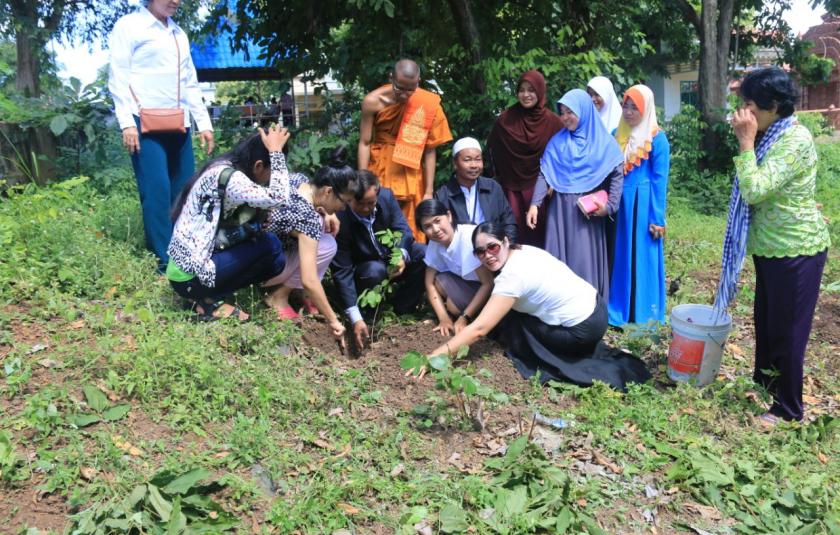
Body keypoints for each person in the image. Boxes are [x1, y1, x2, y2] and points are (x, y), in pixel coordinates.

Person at [407, 223, 650, 391]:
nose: (487, 256)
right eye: (480, 252)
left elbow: (479, 329)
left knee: (519, 324)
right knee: (514, 315)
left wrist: (433, 358)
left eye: (492, 247)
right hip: (597, 309)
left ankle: (563, 358)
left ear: (505, 241)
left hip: (582, 331)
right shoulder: (525, 251)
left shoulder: (511, 278)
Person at [716, 67, 830, 425]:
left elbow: (754, 188)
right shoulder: (771, 134)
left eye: (750, 105)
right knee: (767, 324)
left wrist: (745, 143)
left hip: (798, 250)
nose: (744, 113)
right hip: (769, 248)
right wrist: (751, 140)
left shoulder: (795, 140)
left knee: (789, 331)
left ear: (775, 106)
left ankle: (789, 408)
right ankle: (766, 388)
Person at [109, 0, 215, 272]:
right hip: (142, 122)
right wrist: (126, 123)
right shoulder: (129, 26)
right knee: (156, 191)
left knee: (184, 192)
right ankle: (164, 263)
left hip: (179, 122)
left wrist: (204, 123)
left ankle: (184, 254)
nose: (176, 1)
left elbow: (189, 82)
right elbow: (118, 76)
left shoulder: (179, 33)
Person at [166, 126, 290, 321]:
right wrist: (276, 152)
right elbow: (279, 197)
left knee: (267, 246)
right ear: (258, 166)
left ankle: (205, 297)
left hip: (182, 270)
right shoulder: (233, 180)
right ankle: (209, 302)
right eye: (271, 173)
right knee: (272, 246)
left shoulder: (222, 166)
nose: (270, 180)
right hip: (190, 277)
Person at [527, 89, 624, 299]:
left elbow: (617, 173)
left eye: (571, 112)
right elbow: (544, 174)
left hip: (586, 213)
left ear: (585, 111)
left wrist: (609, 207)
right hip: (559, 212)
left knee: (584, 260)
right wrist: (535, 204)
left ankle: (589, 311)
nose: (565, 118)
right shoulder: (557, 142)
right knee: (558, 262)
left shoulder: (604, 143)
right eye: (562, 112)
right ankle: (558, 307)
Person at [263, 148, 358, 351]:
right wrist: (333, 320)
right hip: (262, 269)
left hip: (255, 250)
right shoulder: (307, 219)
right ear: (328, 191)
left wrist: (326, 211)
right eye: (345, 202)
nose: (344, 208)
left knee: (324, 234)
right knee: (328, 245)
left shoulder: (299, 180)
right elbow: (310, 279)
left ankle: (297, 293)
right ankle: (278, 297)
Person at [357, 59, 453, 239]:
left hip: (411, 168)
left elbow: (430, 149)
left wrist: (428, 191)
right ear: (391, 78)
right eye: (400, 88)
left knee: (413, 221)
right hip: (381, 165)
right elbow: (364, 142)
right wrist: (362, 180)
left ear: (418, 82)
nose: (405, 95)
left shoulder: (426, 102)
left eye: (411, 89)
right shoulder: (373, 101)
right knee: (381, 213)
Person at [331, 170, 427, 350]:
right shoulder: (340, 219)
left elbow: (403, 230)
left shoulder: (386, 198)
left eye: (371, 203)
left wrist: (400, 255)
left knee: (423, 253)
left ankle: (402, 307)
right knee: (375, 270)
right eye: (361, 204)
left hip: (391, 256)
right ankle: (368, 315)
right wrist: (355, 317)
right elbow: (341, 270)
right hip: (365, 269)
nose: (367, 209)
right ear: (350, 199)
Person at [608, 85, 670, 327]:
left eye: (635, 106)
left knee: (643, 255)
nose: (629, 111)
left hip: (644, 206)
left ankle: (646, 312)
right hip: (620, 204)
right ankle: (621, 308)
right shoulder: (617, 134)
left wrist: (657, 217)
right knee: (622, 253)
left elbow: (659, 180)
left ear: (646, 109)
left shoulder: (657, 138)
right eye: (626, 105)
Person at [486, 70, 563, 247]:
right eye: (522, 90)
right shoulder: (506, 119)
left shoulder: (553, 122)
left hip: (542, 189)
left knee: (542, 237)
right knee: (513, 235)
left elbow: (563, 156)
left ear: (541, 91)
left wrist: (554, 182)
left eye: (531, 90)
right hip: (511, 187)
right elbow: (492, 151)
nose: (526, 95)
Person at [415, 200, 495, 337]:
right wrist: (443, 318)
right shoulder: (436, 242)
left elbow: (488, 283)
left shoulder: (468, 238)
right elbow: (428, 282)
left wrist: (464, 317)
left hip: (492, 288)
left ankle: (475, 314)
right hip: (468, 283)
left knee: (453, 306)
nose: (435, 229)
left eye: (438, 221)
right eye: (428, 226)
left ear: (449, 216)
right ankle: (459, 310)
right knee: (438, 281)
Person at [434, 137, 518, 241]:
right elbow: (439, 231)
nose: (474, 165)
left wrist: (506, 245)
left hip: (493, 248)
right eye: (467, 160)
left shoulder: (493, 187)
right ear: (455, 163)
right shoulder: (443, 195)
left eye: (478, 159)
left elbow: (508, 222)